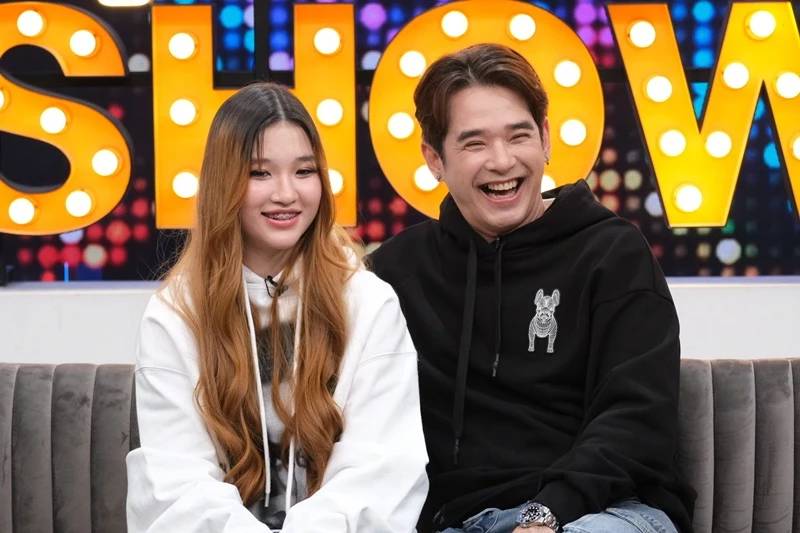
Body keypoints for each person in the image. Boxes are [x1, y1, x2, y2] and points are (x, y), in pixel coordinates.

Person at [370, 44, 695, 533]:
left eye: (518, 136)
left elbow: (637, 417)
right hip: (455, 519)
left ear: (544, 138)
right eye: (474, 144)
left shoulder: (612, 254)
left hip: (603, 511)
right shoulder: (396, 272)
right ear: (434, 159)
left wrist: (548, 513)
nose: (502, 161)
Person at [126, 82, 428, 532]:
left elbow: (381, 471)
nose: (286, 193)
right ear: (224, 182)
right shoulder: (176, 314)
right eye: (260, 173)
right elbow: (176, 484)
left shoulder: (369, 303)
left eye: (304, 171)